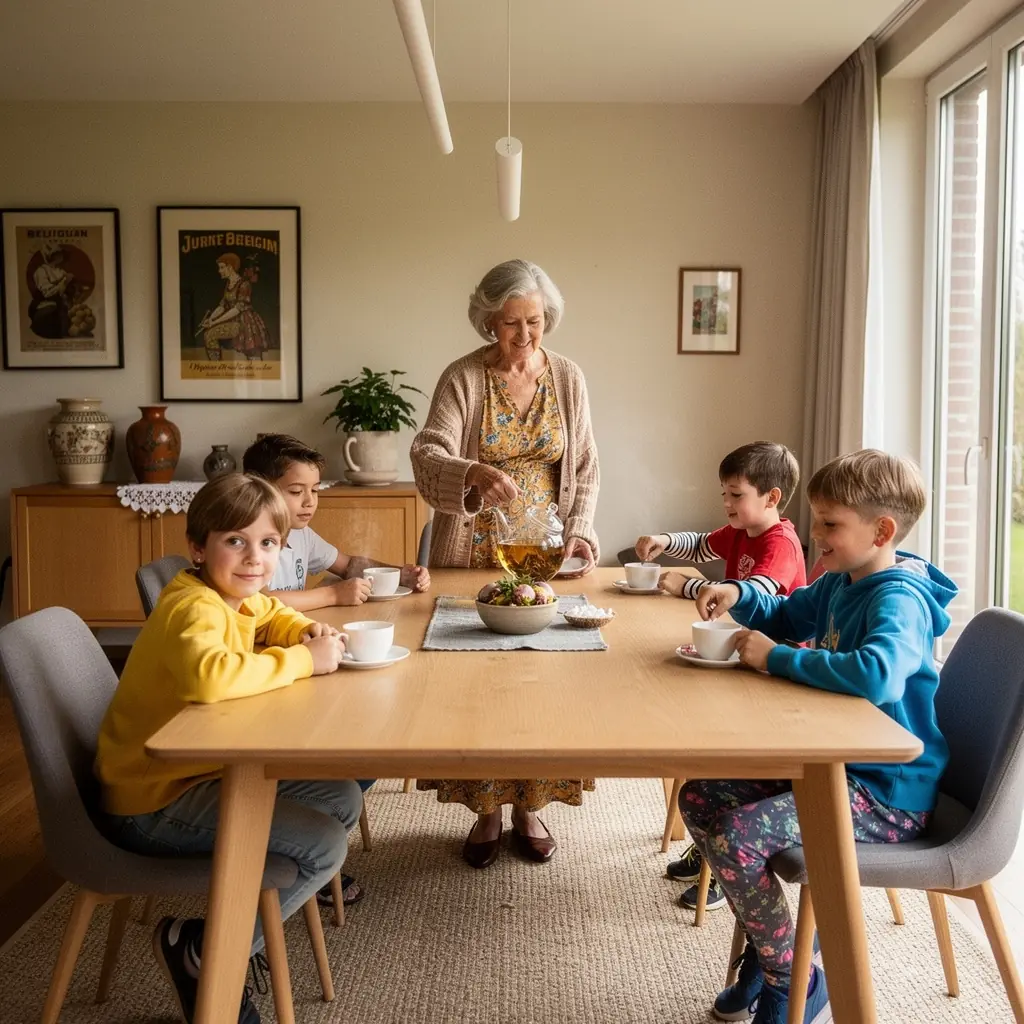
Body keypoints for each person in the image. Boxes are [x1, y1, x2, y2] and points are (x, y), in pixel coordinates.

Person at [681, 450, 956, 1024]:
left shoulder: (898, 597)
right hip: (833, 765)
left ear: (882, 531)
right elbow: (786, 613)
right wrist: (739, 594)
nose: (815, 534)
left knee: (736, 836)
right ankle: (779, 949)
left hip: (883, 793)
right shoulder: (840, 582)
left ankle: (793, 978)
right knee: (701, 795)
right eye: (816, 520)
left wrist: (777, 660)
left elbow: (878, 675)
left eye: (830, 524)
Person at [95, 473, 362, 1024]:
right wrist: (304, 661)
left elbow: (270, 611)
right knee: (325, 845)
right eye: (235, 541)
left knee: (341, 796)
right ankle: (206, 951)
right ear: (198, 547)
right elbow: (209, 680)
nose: (254, 559)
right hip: (153, 796)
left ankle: (249, 889)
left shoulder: (232, 595)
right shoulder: (194, 605)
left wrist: (307, 630)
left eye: (267, 544)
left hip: (199, 769)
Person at [410, 258, 600, 868]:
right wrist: (471, 472)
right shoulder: (463, 377)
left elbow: (587, 465)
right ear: (488, 321)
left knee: (542, 681)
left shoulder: (567, 377)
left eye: (536, 321)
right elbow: (428, 449)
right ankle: (487, 809)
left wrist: (578, 532)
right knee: (478, 683)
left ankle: (531, 807)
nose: (525, 335)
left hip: (546, 552)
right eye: (512, 323)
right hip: (473, 548)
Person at [635, 441, 806, 908]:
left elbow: (756, 591)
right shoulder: (740, 531)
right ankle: (707, 847)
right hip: (746, 658)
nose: (727, 504)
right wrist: (666, 542)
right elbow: (702, 543)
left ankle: (719, 865)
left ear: (771, 498)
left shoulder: (780, 543)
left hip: (779, 671)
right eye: (724, 494)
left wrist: (689, 584)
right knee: (698, 729)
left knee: (724, 749)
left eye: (736, 495)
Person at [242, 433, 431, 611]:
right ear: (258, 488)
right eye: (296, 492)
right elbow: (260, 602)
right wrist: (333, 594)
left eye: (315, 490)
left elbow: (348, 565)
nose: (310, 502)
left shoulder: (300, 533)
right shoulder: (248, 543)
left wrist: (399, 575)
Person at [200, 252, 270, 361]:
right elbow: (222, 305)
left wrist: (214, 322)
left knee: (253, 355)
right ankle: (216, 367)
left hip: (245, 322)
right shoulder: (229, 283)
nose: (219, 271)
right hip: (235, 321)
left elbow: (237, 309)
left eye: (222, 267)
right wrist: (210, 319)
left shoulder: (244, 284)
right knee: (209, 335)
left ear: (230, 267)